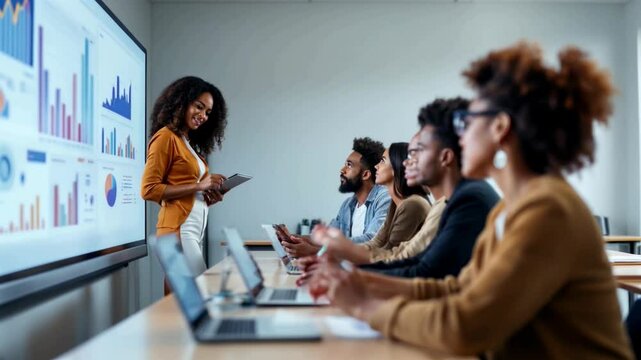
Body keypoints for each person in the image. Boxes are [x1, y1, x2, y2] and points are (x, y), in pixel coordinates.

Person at [309, 42, 633, 359]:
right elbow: (456, 289)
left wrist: (365, 306)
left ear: (500, 128)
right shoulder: (510, 208)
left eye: (467, 122)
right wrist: (358, 281)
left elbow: (465, 326)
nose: (460, 136)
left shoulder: (549, 209)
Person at [358, 98, 499, 279]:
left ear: (446, 157)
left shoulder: (469, 199)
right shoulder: (458, 197)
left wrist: (352, 275)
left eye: (418, 151)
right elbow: (419, 261)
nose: (408, 162)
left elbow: (424, 271)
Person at [141, 76, 228, 276]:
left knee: (186, 299)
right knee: (195, 295)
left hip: (194, 231)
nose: (203, 115)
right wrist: (199, 186)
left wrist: (207, 197)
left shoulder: (186, 142)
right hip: (178, 229)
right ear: (181, 102)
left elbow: (186, 191)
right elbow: (148, 189)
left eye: (207, 112)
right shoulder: (165, 137)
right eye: (198, 106)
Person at [312, 142, 431, 265]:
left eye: (383, 161)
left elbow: (390, 253)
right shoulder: (395, 204)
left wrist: (335, 252)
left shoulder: (412, 204)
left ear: (396, 168)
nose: (376, 167)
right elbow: (376, 243)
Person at [282, 137, 391, 257]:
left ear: (365, 174)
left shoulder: (384, 198)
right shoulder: (348, 205)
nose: (342, 170)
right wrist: (292, 238)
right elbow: (327, 237)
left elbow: (372, 240)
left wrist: (316, 250)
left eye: (349, 165)